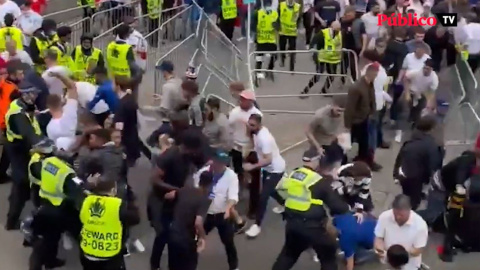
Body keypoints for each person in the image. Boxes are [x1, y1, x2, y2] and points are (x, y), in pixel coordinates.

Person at [272, 148, 350, 270]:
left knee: (288, 255)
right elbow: (338, 208)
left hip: (292, 224)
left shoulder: (293, 174)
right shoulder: (318, 181)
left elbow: (279, 191)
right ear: (317, 161)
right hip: (315, 228)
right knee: (328, 259)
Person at [149, 131, 205, 270]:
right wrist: (176, 190)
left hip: (176, 198)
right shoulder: (169, 156)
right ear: (189, 147)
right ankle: (154, 265)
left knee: (173, 234)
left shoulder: (187, 157)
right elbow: (154, 179)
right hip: (161, 200)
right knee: (162, 234)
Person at [28, 139, 80, 270]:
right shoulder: (65, 172)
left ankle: (49, 261)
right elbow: (76, 189)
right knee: (49, 239)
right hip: (59, 208)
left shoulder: (47, 162)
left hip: (45, 203)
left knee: (49, 238)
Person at [4, 81, 43, 230]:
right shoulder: (18, 115)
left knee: (24, 181)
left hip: (21, 148)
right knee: (21, 182)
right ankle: (11, 220)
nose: (36, 97)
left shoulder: (23, 105)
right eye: (33, 94)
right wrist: (42, 144)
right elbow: (29, 134)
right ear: (26, 94)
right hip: (18, 149)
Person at [79, 176, 140, 270]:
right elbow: (135, 219)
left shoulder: (87, 201)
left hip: (88, 252)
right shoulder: (118, 205)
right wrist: (131, 200)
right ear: (113, 190)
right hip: (109, 255)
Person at [194, 150, 240, 270]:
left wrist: (228, 209)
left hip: (222, 214)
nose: (221, 165)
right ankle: (190, 264)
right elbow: (195, 190)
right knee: (195, 239)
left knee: (229, 242)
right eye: (219, 162)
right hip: (205, 214)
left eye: (223, 163)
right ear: (213, 161)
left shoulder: (231, 176)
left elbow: (233, 197)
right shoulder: (203, 173)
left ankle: (234, 267)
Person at [244, 113, 286, 238]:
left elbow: (268, 159)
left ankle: (257, 225)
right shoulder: (256, 132)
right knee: (270, 190)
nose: (250, 127)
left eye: (252, 125)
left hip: (276, 169)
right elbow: (253, 145)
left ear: (259, 125)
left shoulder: (264, 138)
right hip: (268, 168)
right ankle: (284, 203)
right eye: (249, 124)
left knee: (263, 196)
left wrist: (251, 167)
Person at [393, 115, 442, 210]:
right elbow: (433, 165)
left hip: (404, 174)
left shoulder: (411, 138)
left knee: (407, 194)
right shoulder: (431, 145)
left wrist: (396, 173)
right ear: (431, 129)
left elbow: (401, 156)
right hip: (416, 178)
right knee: (414, 201)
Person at [228, 89, 262, 218]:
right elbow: (229, 127)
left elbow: (257, 133)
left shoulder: (256, 114)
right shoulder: (234, 112)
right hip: (236, 147)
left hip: (250, 149)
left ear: (251, 101)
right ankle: (239, 191)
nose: (241, 101)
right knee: (238, 171)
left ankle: (253, 208)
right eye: (240, 99)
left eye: (244, 99)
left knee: (254, 179)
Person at [169, 171, 211, 270]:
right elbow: (198, 222)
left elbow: (169, 195)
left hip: (173, 235)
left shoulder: (184, 190)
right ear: (210, 184)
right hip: (186, 239)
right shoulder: (204, 199)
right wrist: (203, 237)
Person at [374, 194, 428, 270]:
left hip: (409, 265)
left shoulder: (420, 225)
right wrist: (379, 249)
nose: (397, 217)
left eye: (401, 215)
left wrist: (400, 255)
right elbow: (379, 237)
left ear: (409, 210)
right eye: (395, 214)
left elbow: (418, 249)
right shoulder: (384, 217)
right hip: (388, 262)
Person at [344, 62, 381, 171]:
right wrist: (347, 125)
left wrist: (373, 112)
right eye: (375, 74)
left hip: (366, 119)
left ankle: (362, 161)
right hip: (356, 121)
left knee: (364, 144)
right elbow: (350, 107)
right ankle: (343, 161)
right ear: (369, 73)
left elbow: (371, 99)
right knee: (348, 143)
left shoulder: (370, 84)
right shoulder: (356, 87)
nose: (376, 76)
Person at [112, 76, 147, 166]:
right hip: (133, 137)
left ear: (118, 86)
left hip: (126, 142)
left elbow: (119, 126)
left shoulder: (122, 104)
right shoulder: (130, 99)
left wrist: (116, 141)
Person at [302, 20, 343, 96]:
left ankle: (324, 90)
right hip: (323, 58)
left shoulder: (340, 34)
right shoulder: (323, 33)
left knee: (332, 76)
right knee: (317, 76)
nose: (337, 31)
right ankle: (305, 90)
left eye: (338, 29)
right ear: (331, 27)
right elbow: (314, 40)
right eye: (336, 29)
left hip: (333, 59)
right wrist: (312, 49)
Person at [305, 95, 347, 168]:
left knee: (341, 159)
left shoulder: (342, 114)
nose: (340, 113)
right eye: (338, 110)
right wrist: (318, 147)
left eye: (343, 111)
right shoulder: (320, 116)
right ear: (333, 105)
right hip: (319, 144)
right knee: (323, 167)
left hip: (331, 141)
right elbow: (308, 131)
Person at [0, 60, 21, 184]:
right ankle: (2, 173)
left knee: (9, 148)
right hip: (9, 121)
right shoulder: (13, 88)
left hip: (3, 120)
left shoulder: (4, 84)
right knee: (10, 149)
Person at [45, 72, 78, 149]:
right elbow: (72, 87)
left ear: (48, 106)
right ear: (61, 102)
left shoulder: (49, 128)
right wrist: (59, 75)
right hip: (74, 150)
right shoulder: (70, 112)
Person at [403, 59, 438, 126]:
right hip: (412, 92)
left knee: (420, 109)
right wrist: (407, 93)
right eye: (424, 68)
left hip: (422, 94)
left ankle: (415, 123)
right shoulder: (416, 73)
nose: (425, 70)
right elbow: (406, 79)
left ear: (431, 69)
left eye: (427, 69)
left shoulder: (434, 78)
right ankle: (411, 115)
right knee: (411, 106)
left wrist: (429, 102)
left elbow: (432, 92)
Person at [253, 3, 279, 84]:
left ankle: (269, 71)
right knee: (259, 59)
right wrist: (255, 36)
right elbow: (253, 26)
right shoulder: (257, 13)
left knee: (274, 57)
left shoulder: (275, 14)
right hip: (261, 41)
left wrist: (276, 26)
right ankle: (257, 77)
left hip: (271, 41)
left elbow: (278, 27)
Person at [278, 0, 300, 72]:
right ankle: (282, 59)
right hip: (283, 31)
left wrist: (298, 28)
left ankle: (292, 67)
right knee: (282, 47)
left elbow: (299, 19)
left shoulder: (297, 6)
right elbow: (278, 16)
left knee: (292, 49)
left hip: (292, 32)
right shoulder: (281, 5)